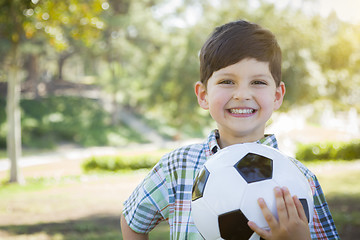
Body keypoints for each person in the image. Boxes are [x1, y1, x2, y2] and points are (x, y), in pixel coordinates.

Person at [121, 20, 339, 239]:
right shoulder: (177, 166)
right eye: (227, 81)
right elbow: (132, 220)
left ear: (277, 96)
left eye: (258, 82)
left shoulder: (299, 178)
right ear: (203, 95)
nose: (242, 94)